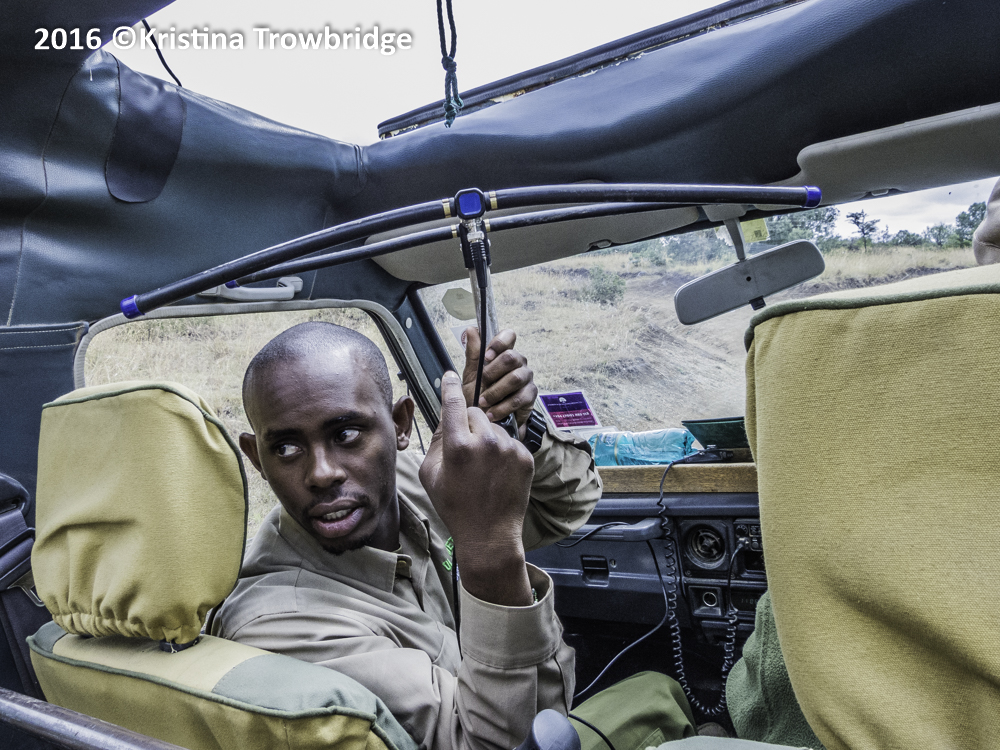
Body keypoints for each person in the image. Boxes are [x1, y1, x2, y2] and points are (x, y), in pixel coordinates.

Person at [211, 320, 605, 750]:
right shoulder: (278, 626)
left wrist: (514, 427)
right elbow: (504, 744)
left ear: (400, 424)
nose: (321, 473)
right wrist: (489, 552)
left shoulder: (416, 481)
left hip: (559, 721)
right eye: (286, 448)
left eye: (346, 434)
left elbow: (569, 504)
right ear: (256, 458)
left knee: (655, 690)